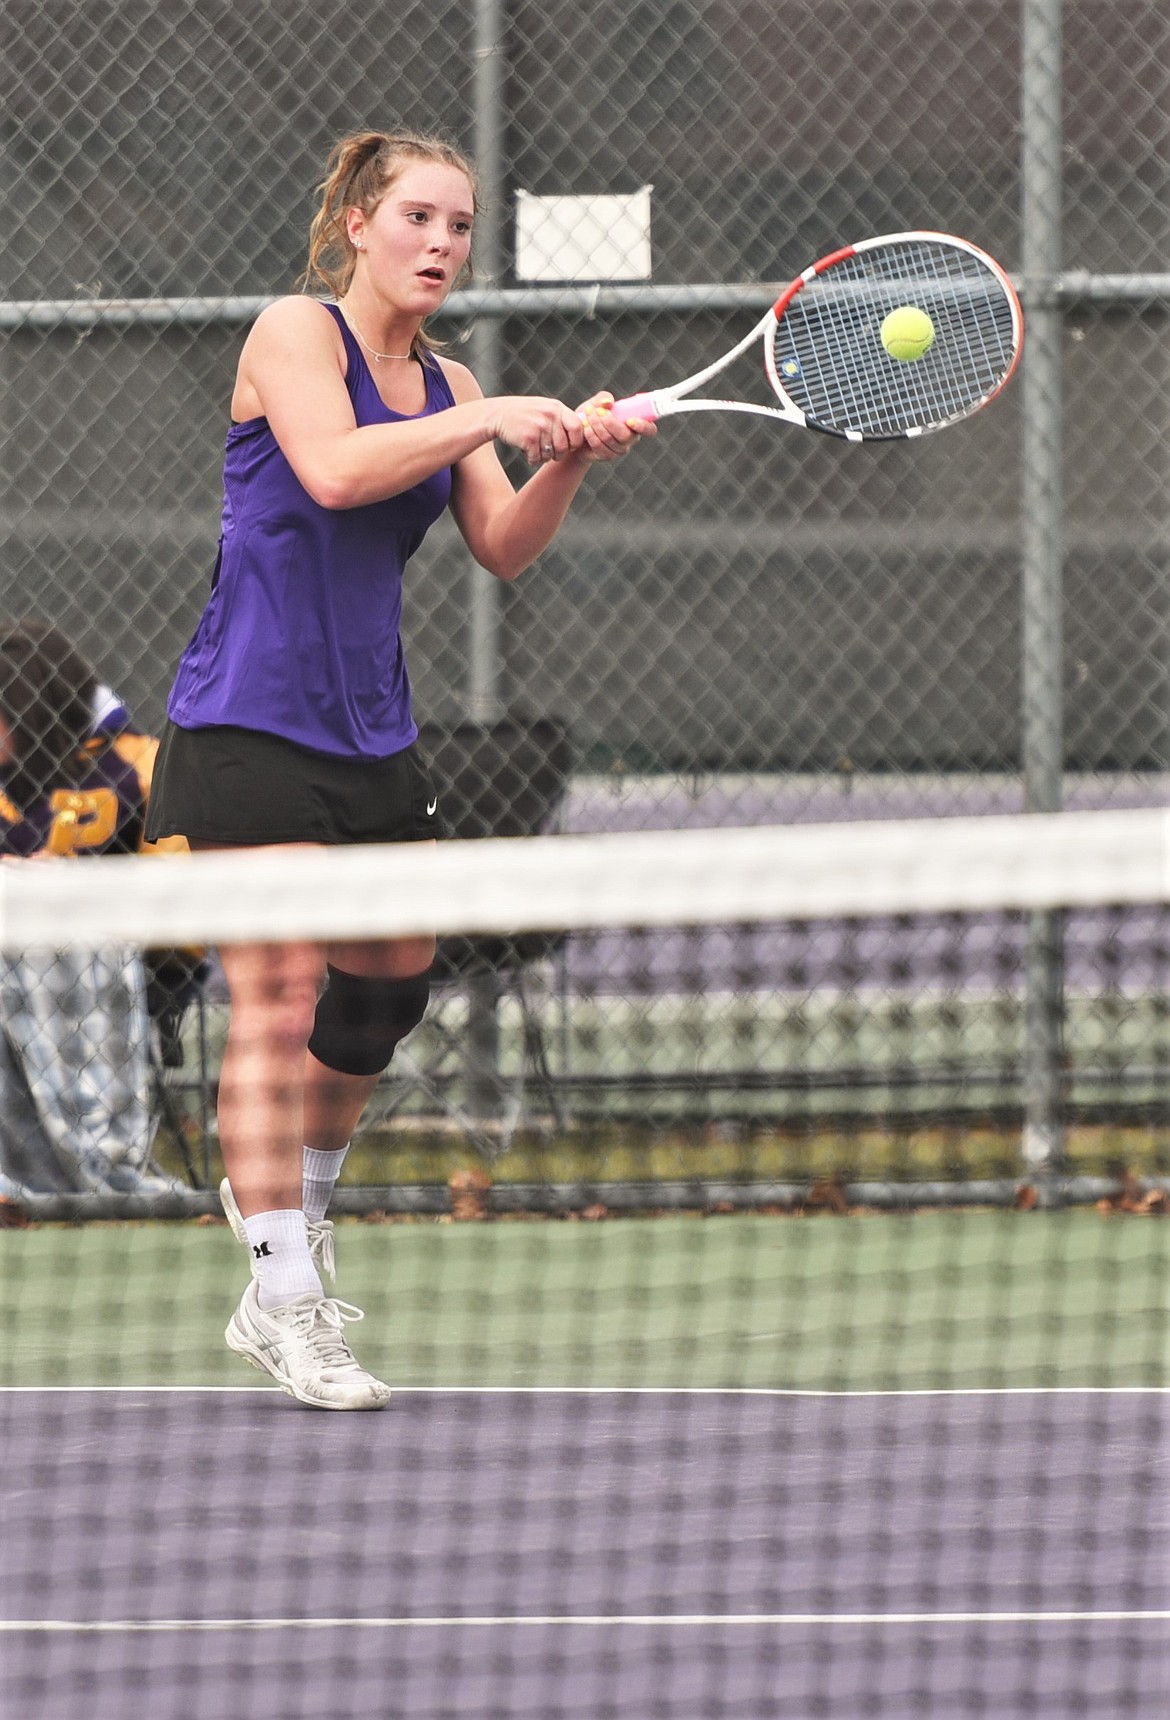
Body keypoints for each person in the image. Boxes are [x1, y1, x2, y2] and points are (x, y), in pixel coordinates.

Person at [144, 128, 653, 1411]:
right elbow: (331, 467)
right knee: (269, 998)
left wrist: (563, 466)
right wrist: (487, 414)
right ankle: (283, 1297)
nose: (441, 243)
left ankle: (296, 1228)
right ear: (358, 225)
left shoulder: (448, 378)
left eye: (461, 225)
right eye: (418, 217)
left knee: (383, 991)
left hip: (374, 736)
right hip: (245, 730)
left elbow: (502, 545)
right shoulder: (291, 335)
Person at [0, 619, 171, 1198]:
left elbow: (176, 885)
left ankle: (95, 1158)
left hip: (115, 959)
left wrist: (76, 887)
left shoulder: (137, 765)